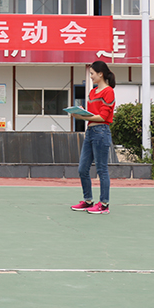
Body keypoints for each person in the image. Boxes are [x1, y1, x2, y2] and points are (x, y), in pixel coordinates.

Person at [69, 60, 116, 215]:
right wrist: (81, 112)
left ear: (100, 74)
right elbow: (92, 113)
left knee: (102, 169)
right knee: (82, 169)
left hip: (101, 132)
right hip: (90, 132)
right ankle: (88, 200)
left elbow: (103, 117)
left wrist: (82, 117)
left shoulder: (108, 92)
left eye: (92, 73)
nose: (90, 76)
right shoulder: (92, 92)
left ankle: (104, 204)